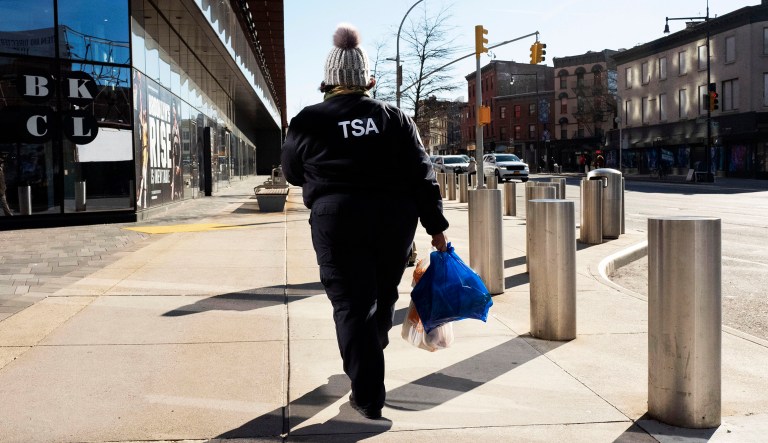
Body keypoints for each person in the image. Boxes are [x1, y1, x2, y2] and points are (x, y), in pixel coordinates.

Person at [281, 23, 449, 420]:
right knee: (381, 296)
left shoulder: (308, 120)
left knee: (353, 306)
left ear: (329, 80)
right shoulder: (395, 118)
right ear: (367, 79)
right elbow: (422, 175)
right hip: (393, 220)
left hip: (336, 220)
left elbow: (291, 171)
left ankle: (368, 390)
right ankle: (367, 362)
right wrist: (436, 228)